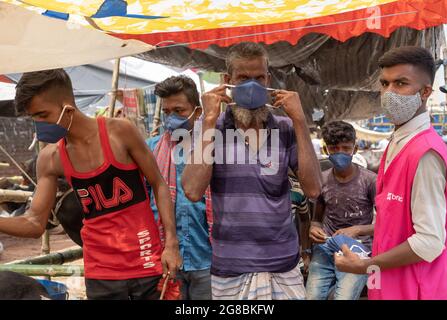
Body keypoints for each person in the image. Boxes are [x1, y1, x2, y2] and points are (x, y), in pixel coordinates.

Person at [0, 69, 181, 300]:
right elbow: (35, 222)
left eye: (43, 115)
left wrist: (171, 244)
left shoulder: (119, 132)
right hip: (101, 272)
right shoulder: (51, 158)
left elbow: (159, 184)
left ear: (68, 106)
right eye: (34, 117)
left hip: (146, 260)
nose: (39, 124)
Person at [181, 42, 322, 300]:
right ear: (228, 81)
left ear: (269, 79)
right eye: (243, 78)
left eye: (259, 77)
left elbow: (313, 188)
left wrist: (300, 121)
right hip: (232, 266)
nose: (252, 85)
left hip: (283, 263)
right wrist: (210, 120)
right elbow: (191, 190)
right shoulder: (212, 130)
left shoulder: (286, 127)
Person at [335, 46, 447, 300]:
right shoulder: (397, 143)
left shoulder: (425, 154)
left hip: (415, 288)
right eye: (384, 83)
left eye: (401, 83)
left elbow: (429, 242)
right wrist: (363, 230)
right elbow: (398, 218)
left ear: (425, 92)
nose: (389, 93)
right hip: (389, 286)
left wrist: (364, 266)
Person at [146, 76, 213, 300]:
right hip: (165, 258)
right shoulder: (151, 149)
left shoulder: (213, 147)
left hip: (208, 258)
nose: (172, 118)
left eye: (179, 110)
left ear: (197, 111)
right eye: (167, 112)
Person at [306, 121, 376, 300]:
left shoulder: (370, 181)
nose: (340, 153)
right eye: (334, 148)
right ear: (326, 150)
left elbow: (386, 223)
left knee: (344, 297)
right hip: (326, 248)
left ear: (355, 148)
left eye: (346, 148)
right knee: (311, 297)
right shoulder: (321, 180)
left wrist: (359, 229)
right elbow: (316, 218)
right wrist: (314, 228)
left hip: (358, 250)